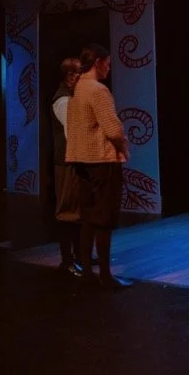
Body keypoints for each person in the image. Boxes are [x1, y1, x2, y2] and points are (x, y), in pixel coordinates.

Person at [65, 44, 131, 289]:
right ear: (98, 62)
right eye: (108, 63)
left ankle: (87, 272)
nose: (108, 68)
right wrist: (124, 146)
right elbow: (113, 129)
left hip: (81, 161)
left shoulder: (76, 89)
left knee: (89, 218)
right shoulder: (97, 90)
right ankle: (104, 275)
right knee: (104, 218)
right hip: (102, 162)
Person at [50, 57, 84, 277]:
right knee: (67, 211)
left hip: (75, 160)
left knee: (79, 210)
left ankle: (80, 256)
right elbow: (72, 132)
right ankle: (68, 261)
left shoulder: (71, 97)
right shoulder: (62, 100)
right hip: (67, 162)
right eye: (79, 74)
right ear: (70, 76)